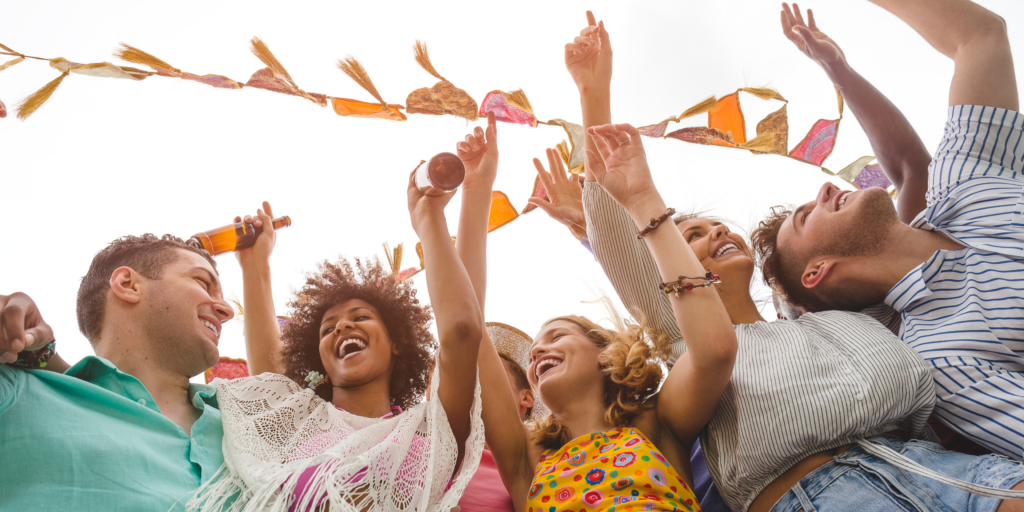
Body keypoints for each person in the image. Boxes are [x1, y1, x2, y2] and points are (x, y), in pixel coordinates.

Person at [538, 8, 1024, 512]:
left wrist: (840, 70)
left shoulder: (847, 319)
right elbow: (626, 244)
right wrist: (596, 102)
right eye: (693, 236)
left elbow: (906, 186)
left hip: (944, 469)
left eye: (718, 226)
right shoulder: (684, 338)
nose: (717, 232)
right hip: (820, 496)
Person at [453, 46, 739, 511]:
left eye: (556, 335)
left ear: (606, 355)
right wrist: (475, 193)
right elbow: (468, 319)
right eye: (539, 346)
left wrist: (641, 194)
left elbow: (714, 350)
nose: (538, 351)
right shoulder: (530, 458)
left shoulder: (656, 421)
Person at [753, 0, 1024, 461]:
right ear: (817, 270)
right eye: (805, 216)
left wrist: (837, 69)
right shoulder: (942, 359)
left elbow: (979, 36)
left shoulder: (962, 182)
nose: (824, 187)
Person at [190, 177, 485, 511]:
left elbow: (462, 331)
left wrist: (429, 216)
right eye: (327, 328)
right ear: (321, 364)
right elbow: (270, 372)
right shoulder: (301, 423)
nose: (342, 326)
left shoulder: (430, 430)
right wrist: (255, 263)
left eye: (360, 317)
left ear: (397, 343)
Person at [1, 234, 235, 510]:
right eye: (202, 282)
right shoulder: (18, 396)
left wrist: (258, 269)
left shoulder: (246, 420)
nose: (226, 310)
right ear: (128, 284)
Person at [458, 321, 540, 512]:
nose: (476, 384)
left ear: (526, 397)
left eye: (493, 377)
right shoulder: (431, 452)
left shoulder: (546, 461)